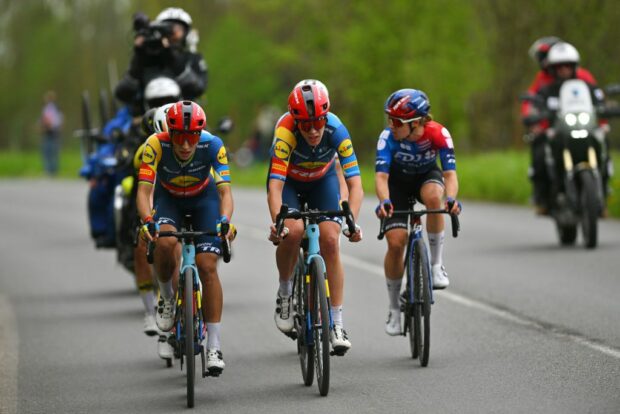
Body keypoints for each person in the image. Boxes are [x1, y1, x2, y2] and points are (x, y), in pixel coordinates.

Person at [136, 100, 235, 374]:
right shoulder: (155, 144)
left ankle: (214, 344)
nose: (185, 145)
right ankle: (167, 298)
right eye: (179, 136)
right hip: (168, 200)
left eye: (191, 137)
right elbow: (144, 191)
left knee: (207, 266)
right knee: (165, 242)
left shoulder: (213, 145)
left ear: (199, 135)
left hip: (204, 200)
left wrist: (225, 221)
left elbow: (225, 192)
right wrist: (147, 221)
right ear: (170, 132)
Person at [267, 79, 363, 355]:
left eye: (318, 122)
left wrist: (352, 222)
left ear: (326, 116)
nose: (312, 130)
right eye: (305, 125)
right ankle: (285, 292)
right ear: (296, 121)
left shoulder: (337, 129)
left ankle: (336, 324)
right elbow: (274, 186)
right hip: (290, 185)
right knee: (293, 231)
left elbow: (355, 183)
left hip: (323, 181)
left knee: (330, 240)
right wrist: (278, 223)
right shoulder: (285, 132)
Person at [374, 89, 461, 336]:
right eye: (388, 119)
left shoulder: (438, 133)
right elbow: (381, 177)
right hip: (397, 185)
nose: (391, 125)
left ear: (415, 122)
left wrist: (451, 198)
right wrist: (385, 201)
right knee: (396, 242)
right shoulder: (387, 138)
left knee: (435, 198)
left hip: (426, 177)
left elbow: (450, 175)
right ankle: (394, 308)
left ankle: (436, 265)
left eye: (397, 121)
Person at [522, 38, 606, 214]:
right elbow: (532, 104)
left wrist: (605, 117)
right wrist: (533, 119)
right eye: (559, 66)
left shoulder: (585, 80)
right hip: (557, 130)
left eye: (567, 66)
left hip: (583, 126)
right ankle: (543, 196)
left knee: (603, 148)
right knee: (540, 152)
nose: (564, 70)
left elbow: (599, 101)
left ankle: (603, 193)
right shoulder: (545, 85)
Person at [115, 7, 207, 115]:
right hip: (146, 121)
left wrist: (169, 53)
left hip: (186, 119)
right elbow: (123, 93)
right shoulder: (147, 57)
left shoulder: (192, 58)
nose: (171, 35)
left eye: (176, 31)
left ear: (186, 34)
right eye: (166, 30)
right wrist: (139, 53)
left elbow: (197, 88)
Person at [40, 91, 63, 176]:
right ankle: (49, 170)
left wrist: (50, 125)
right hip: (48, 132)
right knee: (47, 151)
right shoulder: (46, 108)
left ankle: (53, 170)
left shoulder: (55, 108)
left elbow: (58, 120)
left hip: (53, 132)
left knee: (53, 151)